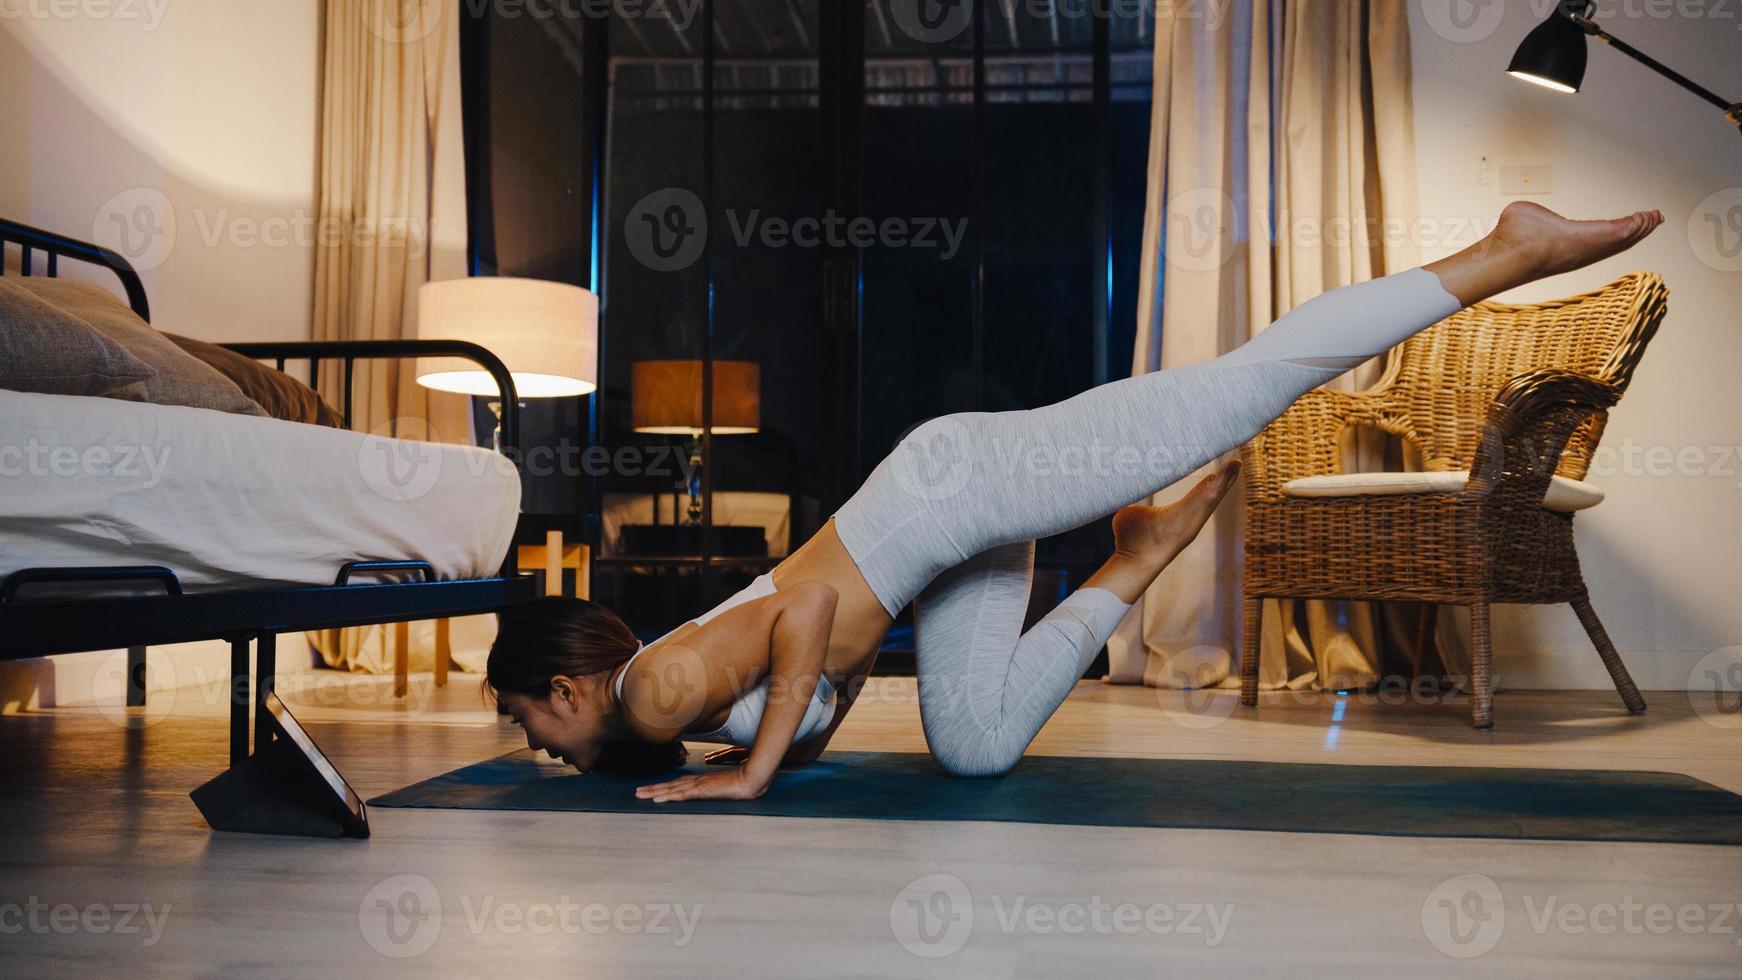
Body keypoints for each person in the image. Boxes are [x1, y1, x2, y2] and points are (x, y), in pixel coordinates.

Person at [486, 202, 1664, 802]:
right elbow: (814, 643)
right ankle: (1131, 559)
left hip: (954, 490)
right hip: (942, 548)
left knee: (1237, 391)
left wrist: (749, 770)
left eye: (525, 722)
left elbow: (801, 623)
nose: (533, 745)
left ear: (569, 686)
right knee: (975, 748)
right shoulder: (658, 704)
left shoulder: (652, 687)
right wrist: (771, 742)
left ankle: (1501, 251)